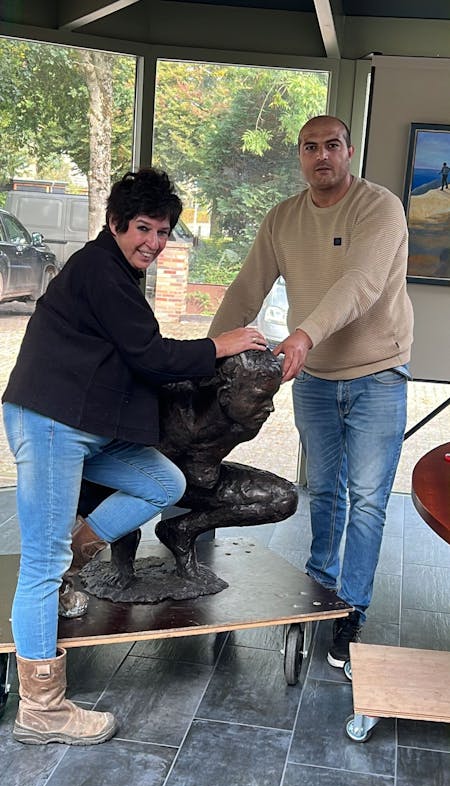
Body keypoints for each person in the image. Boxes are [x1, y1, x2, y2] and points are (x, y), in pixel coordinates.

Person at [1, 167, 268, 747]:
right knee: (40, 564)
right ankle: (41, 709)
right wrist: (220, 345)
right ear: (116, 223)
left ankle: (74, 554)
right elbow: (150, 355)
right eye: (143, 228)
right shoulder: (100, 269)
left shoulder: (118, 272)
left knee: (163, 482)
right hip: (52, 423)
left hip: (86, 426)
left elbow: (131, 354)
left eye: (163, 231)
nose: (154, 241)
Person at [209, 115, 414, 669]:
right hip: (318, 381)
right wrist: (206, 353)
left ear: (349, 150)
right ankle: (319, 591)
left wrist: (303, 335)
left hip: (378, 376)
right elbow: (247, 287)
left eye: (332, 145)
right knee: (324, 492)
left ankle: (352, 609)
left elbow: (361, 283)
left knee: (367, 500)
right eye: (309, 147)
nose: (321, 155)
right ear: (300, 156)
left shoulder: (380, 208)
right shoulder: (283, 218)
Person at [76, 348, 298, 594]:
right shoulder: (175, 396)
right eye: (259, 398)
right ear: (225, 394)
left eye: (270, 397)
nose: (270, 408)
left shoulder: (247, 420)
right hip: (133, 476)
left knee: (283, 499)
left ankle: (181, 531)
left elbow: (204, 470)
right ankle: (122, 560)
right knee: (111, 480)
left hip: (192, 480)